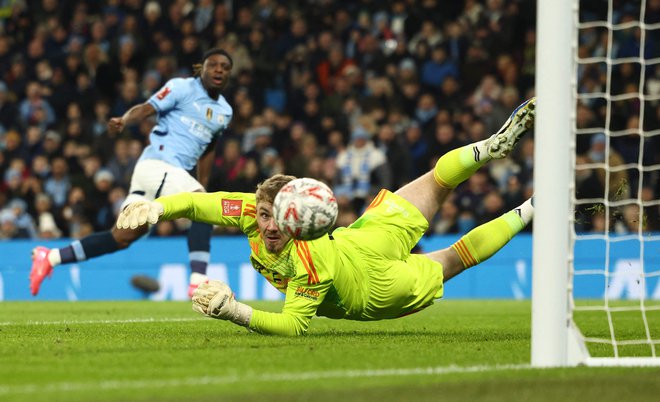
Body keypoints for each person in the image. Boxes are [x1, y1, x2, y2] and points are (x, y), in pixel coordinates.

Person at [117, 98, 536, 336]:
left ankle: (533, 206)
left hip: (376, 290)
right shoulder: (253, 209)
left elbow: (294, 325)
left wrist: (235, 311)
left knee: (454, 257)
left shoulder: (307, 259)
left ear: (297, 220)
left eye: (277, 220)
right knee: (436, 182)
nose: (267, 227)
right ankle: (492, 154)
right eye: (263, 215)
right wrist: (158, 207)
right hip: (360, 239)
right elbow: (197, 204)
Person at [29, 48, 234, 297]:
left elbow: (209, 148)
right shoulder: (182, 88)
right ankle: (198, 281)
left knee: (120, 237)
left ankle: (50, 257)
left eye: (224, 66)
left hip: (159, 177)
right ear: (202, 68)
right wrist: (125, 120)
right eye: (213, 65)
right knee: (205, 207)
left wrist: (202, 183)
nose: (219, 70)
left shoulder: (224, 112)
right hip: (158, 165)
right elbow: (147, 108)